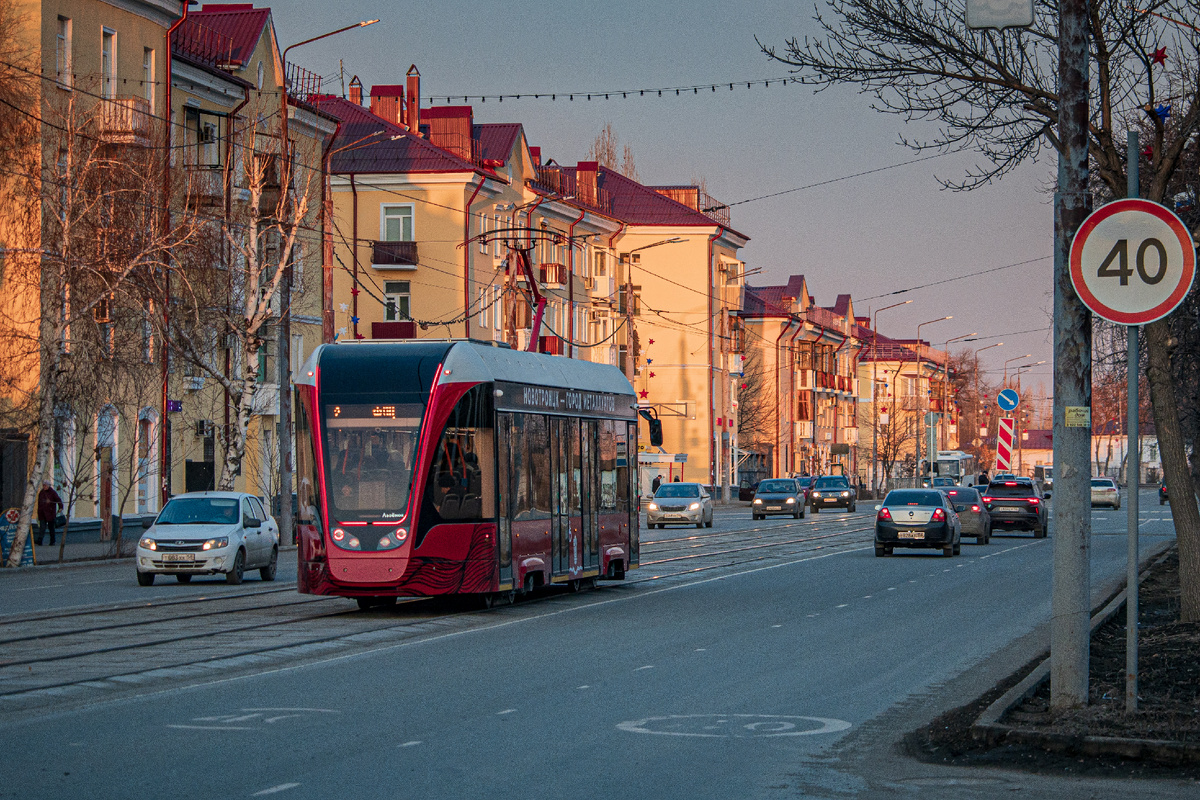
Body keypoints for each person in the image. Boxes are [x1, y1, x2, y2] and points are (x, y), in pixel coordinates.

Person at [36, 482, 63, 546]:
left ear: (48, 486)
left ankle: (52, 541)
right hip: (42, 513)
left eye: (45, 485)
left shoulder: (52, 492)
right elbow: (39, 502)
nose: (44, 487)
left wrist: (60, 507)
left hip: (50, 513)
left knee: (51, 527)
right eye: (43, 485)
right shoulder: (41, 492)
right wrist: (39, 511)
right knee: (42, 527)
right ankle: (40, 540)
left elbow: (58, 499)